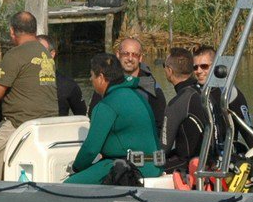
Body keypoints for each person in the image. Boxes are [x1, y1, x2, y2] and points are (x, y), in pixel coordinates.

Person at [0, 11, 59, 181]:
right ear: (34, 30)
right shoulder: (44, 53)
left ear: (12, 31)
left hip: (19, 123)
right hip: (47, 122)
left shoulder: (15, 54)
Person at [65, 52, 163, 185]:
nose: (90, 79)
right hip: (155, 167)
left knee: (68, 185)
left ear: (100, 77)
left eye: (92, 75)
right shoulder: (137, 95)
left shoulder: (106, 105)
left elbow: (91, 149)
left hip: (129, 168)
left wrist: (76, 168)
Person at [89, 36, 165, 143]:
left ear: (140, 58)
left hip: (143, 148)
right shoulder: (105, 84)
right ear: (118, 55)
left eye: (134, 55)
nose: (130, 58)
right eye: (125, 54)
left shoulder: (152, 88)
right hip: (113, 148)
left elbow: (160, 126)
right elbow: (94, 117)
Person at [161, 45, 209, 173]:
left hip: (189, 165)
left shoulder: (178, 102)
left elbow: (162, 150)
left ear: (170, 71)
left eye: (163, 66)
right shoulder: (204, 93)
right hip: (210, 160)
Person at [38, 33, 86, 116]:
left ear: (52, 54)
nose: (33, 55)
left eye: (39, 50)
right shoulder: (21, 83)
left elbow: (82, 116)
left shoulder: (68, 85)